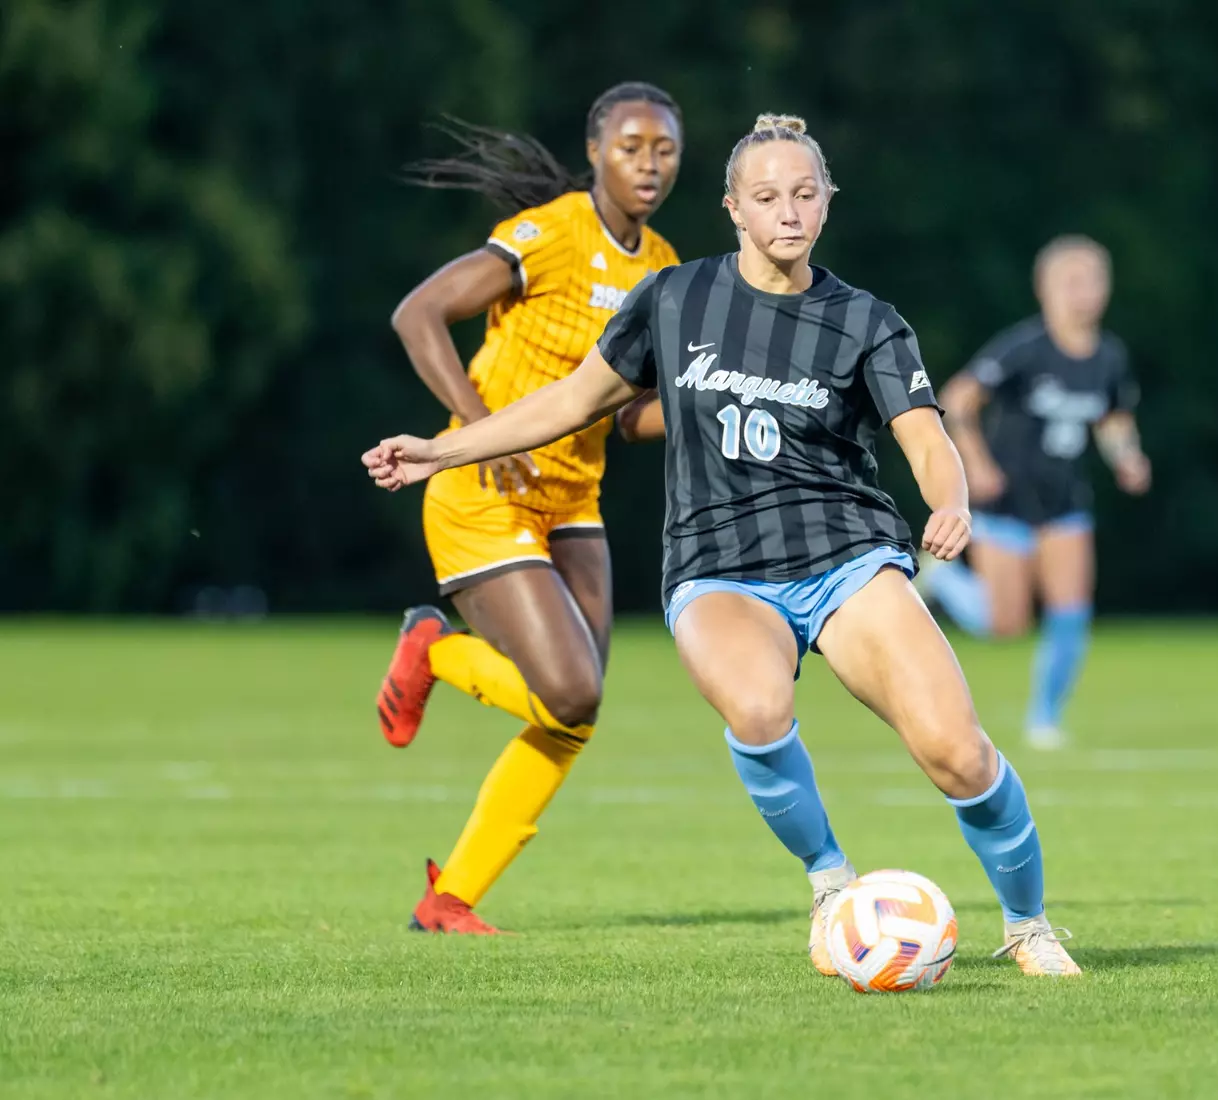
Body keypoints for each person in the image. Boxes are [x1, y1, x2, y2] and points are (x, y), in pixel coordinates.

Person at [363, 113, 1082, 976]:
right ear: (734, 207)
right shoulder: (675, 297)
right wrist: (439, 448)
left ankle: (1030, 925)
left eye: (806, 194)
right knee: (758, 708)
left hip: (847, 557)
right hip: (719, 567)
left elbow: (927, 439)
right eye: (768, 196)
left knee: (957, 751)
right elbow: (570, 402)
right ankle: (830, 886)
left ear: (826, 205)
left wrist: (950, 500)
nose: (789, 212)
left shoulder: (865, 321)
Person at [376, 82, 683, 934]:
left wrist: (710, 401)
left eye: (664, 148)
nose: (649, 163)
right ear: (595, 153)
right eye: (631, 146)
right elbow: (418, 314)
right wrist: (486, 434)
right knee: (572, 688)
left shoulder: (661, 267)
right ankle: (433, 649)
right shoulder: (551, 231)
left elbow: (624, 414)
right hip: (483, 491)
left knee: (574, 710)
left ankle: (450, 898)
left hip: (571, 496)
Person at [918, 236, 1151, 751]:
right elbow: (957, 401)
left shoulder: (1108, 357)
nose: (1082, 294)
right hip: (1006, 501)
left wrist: (1127, 459)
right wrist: (975, 465)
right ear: (1044, 290)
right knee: (1006, 624)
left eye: (1092, 282)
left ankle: (1044, 719)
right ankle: (941, 580)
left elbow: (1113, 419)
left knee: (1071, 611)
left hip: (1066, 501)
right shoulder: (1023, 349)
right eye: (1070, 282)